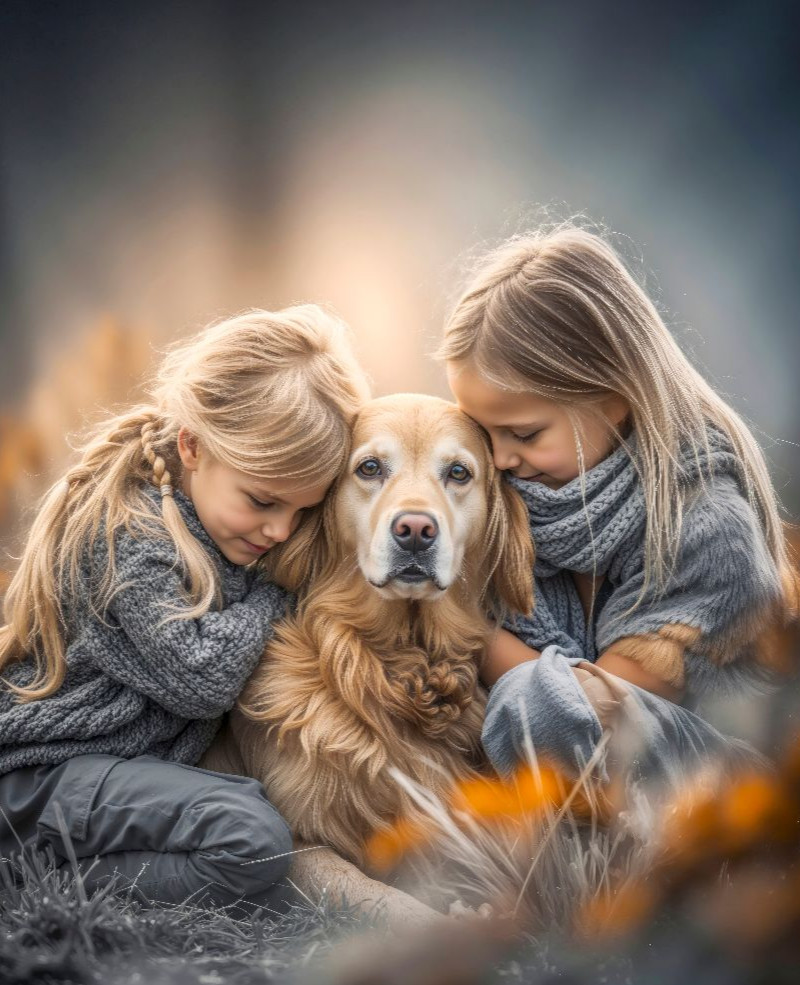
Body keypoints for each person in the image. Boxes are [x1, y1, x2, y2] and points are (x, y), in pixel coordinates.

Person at [0, 305, 369, 906]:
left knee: (249, 832)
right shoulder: (128, 540)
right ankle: (28, 873)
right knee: (251, 838)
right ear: (193, 446)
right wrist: (279, 591)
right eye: (263, 501)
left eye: (303, 512)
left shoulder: (211, 523)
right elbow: (200, 677)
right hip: (42, 778)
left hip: (103, 776)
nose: (281, 531)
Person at [439, 224, 796, 792]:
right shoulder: (514, 493)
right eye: (482, 434)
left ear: (613, 400)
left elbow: (600, 714)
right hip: (554, 778)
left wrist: (460, 628)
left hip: (702, 785)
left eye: (524, 433)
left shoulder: (707, 525)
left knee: (538, 703)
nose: (500, 459)